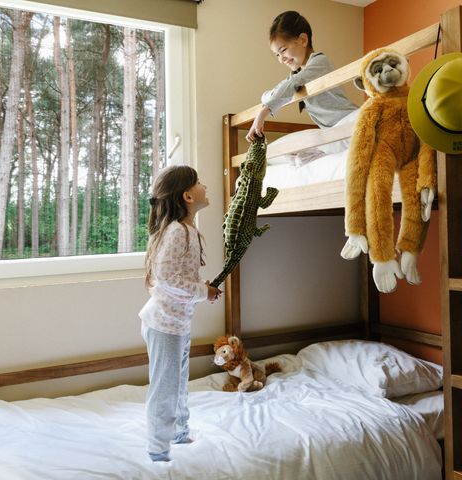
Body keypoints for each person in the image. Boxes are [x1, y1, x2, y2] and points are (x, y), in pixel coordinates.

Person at [140, 165, 222, 462]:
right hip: (164, 325)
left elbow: (179, 277)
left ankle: (179, 431)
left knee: (177, 382)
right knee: (165, 388)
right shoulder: (177, 231)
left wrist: (203, 288)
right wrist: (203, 291)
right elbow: (167, 278)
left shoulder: (187, 231)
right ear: (188, 196)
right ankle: (158, 450)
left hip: (176, 323)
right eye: (199, 182)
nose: (205, 186)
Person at [246, 10, 358, 144]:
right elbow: (279, 89)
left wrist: (262, 113)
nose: (281, 59)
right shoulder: (297, 75)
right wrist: (265, 99)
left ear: (303, 40)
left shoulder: (319, 62)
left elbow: (291, 84)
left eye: (283, 50)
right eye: (277, 55)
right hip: (333, 130)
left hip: (350, 120)